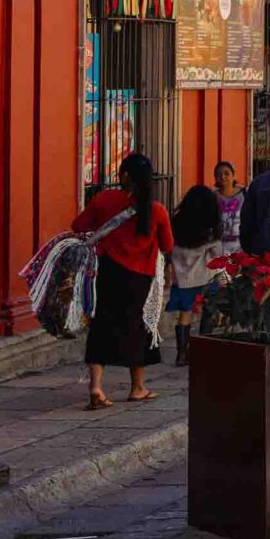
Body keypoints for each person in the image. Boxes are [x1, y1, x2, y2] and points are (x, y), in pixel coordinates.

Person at [71, 154, 172, 409]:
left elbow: (78, 225)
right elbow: (168, 245)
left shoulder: (103, 199)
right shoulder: (156, 210)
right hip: (140, 278)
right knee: (138, 329)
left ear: (124, 176)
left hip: (107, 273)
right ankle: (138, 388)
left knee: (102, 326)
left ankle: (95, 387)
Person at [167, 184, 220, 368]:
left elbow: (168, 248)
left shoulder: (175, 226)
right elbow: (217, 255)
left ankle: (182, 354)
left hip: (182, 280)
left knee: (185, 313)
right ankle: (204, 349)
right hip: (205, 278)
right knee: (209, 311)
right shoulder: (209, 231)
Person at [212, 161, 245, 255]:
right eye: (219, 174)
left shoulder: (244, 194)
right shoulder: (212, 197)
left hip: (240, 248)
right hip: (219, 249)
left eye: (226, 173)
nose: (223, 177)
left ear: (233, 176)